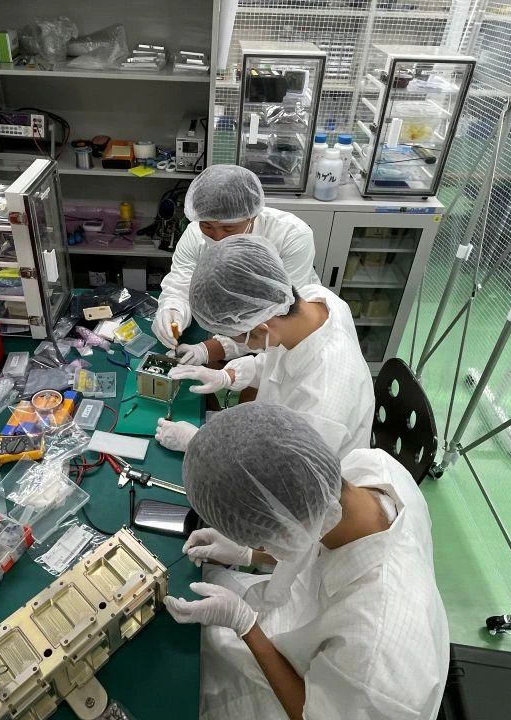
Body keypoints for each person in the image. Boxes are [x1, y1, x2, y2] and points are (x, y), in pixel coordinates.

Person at [164, 403, 449, 720]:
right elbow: (308, 527)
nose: (256, 544)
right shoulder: (370, 468)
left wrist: (246, 626)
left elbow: (311, 714)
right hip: (303, 616)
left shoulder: (373, 653)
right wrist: (248, 554)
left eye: (256, 538)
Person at [155, 235, 373, 457]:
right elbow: (277, 363)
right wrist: (227, 375)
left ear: (262, 329)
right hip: (279, 429)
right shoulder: (312, 301)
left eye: (236, 337)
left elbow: (281, 475)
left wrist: (199, 443)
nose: (235, 343)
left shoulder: (323, 404)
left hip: (312, 474)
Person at [152, 164, 320, 364]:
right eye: (206, 225)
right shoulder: (194, 235)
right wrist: (173, 310)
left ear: (252, 216)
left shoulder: (291, 236)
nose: (218, 237)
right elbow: (181, 283)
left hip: (277, 338)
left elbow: (280, 317)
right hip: (228, 326)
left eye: (228, 228)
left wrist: (212, 350)